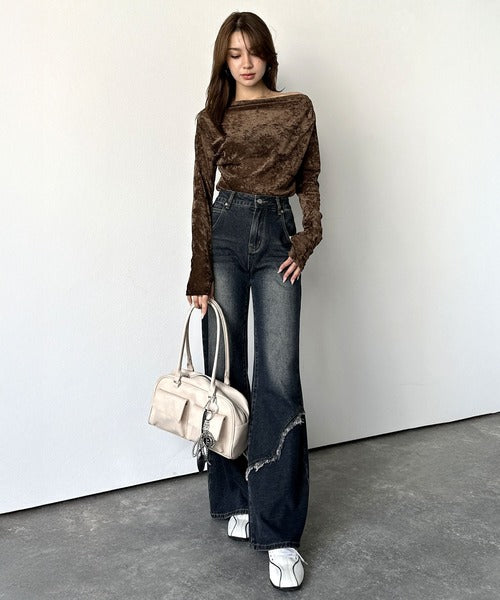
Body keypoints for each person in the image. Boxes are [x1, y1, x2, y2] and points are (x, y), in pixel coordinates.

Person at [185, 11, 322, 591]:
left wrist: (308, 237)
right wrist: (199, 271)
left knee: (279, 377)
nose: (246, 63)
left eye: (254, 51)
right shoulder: (212, 117)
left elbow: (310, 176)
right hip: (224, 234)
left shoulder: (297, 107)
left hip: (276, 237)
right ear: (224, 59)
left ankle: (281, 531)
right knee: (225, 373)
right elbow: (200, 192)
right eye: (235, 53)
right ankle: (236, 499)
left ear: (268, 54)